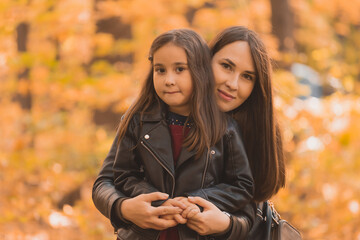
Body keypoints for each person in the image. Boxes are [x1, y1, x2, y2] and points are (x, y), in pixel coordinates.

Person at [92, 26, 285, 239]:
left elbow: (247, 203)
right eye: (226, 66)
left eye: (248, 76)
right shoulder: (144, 118)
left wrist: (227, 224)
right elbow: (110, 180)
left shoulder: (243, 128)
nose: (232, 84)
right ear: (202, 62)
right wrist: (125, 208)